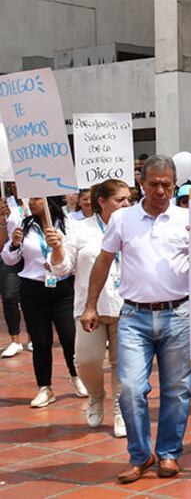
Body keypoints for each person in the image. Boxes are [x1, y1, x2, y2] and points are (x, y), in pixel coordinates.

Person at [86, 157, 191, 483]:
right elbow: (103, 261)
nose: (161, 190)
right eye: (154, 184)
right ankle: (140, 454)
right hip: (133, 317)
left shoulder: (189, 219)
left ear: (175, 184)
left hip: (179, 316)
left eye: (167, 184)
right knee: (131, 389)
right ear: (141, 184)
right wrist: (90, 304)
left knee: (176, 390)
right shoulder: (122, 219)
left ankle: (169, 454)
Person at [49, 179, 130, 437]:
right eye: (121, 199)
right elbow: (62, 269)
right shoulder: (79, 228)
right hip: (89, 309)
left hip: (126, 307)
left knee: (123, 365)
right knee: (86, 360)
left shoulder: (134, 227)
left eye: (130, 198)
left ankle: (120, 410)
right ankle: (96, 395)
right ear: (102, 202)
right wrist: (57, 248)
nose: (128, 204)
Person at [3, 195, 85, 408]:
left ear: (50, 201)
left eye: (37, 198)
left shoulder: (69, 225)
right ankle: (44, 388)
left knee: (69, 336)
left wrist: (57, 254)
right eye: (30, 199)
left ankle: (77, 377)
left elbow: (76, 256)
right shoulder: (24, 225)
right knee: (40, 341)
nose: (31, 202)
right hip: (33, 289)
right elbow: (9, 259)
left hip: (63, 288)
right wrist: (14, 243)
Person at [0, 200, 24, 359]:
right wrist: (3, 223)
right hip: (11, 255)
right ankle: (15, 340)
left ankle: (33, 338)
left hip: (35, 254)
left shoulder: (38, 199)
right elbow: (2, 244)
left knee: (35, 297)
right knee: (9, 296)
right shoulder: (4, 203)